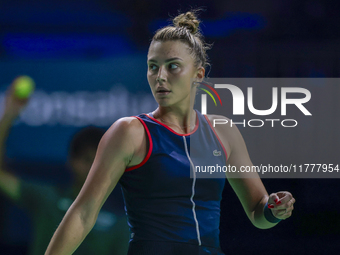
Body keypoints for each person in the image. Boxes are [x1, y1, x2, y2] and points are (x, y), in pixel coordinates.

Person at [44, 10, 296, 255]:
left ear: (198, 75)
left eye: (172, 66)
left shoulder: (224, 131)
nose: (160, 76)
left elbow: (257, 213)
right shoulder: (129, 132)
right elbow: (83, 212)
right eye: (153, 67)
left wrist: (274, 210)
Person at [0, 83, 130, 255]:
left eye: (101, 162)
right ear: (71, 161)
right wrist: (9, 114)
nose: (93, 169)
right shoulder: (47, 198)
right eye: (87, 160)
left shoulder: (122, 223)